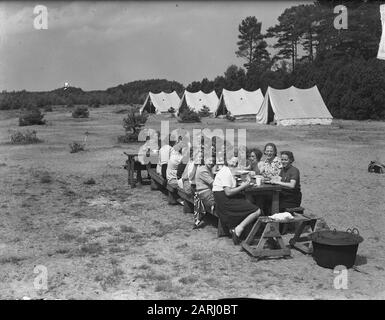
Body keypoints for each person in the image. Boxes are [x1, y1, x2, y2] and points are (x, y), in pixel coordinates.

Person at [213, 156, 261, 245]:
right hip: (224, 201)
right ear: (227, 160)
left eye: (236, 159)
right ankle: (239, 229)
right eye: (231, 159)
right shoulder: (225, 172)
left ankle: (238, 228)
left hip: (223, 199)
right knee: (257, 210)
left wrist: (244, 184)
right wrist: (244, 186)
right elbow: (228, 192)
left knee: (247, 200)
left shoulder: (228, 170)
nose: (234, 161)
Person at [194, 155, 215, 228]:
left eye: (213, 160)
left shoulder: (206, 168)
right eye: (209, 160)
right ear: (205, 160)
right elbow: (213, 183)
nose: (211, 162)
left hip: (204, 192)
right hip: (205, 194)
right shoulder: (203, 170)